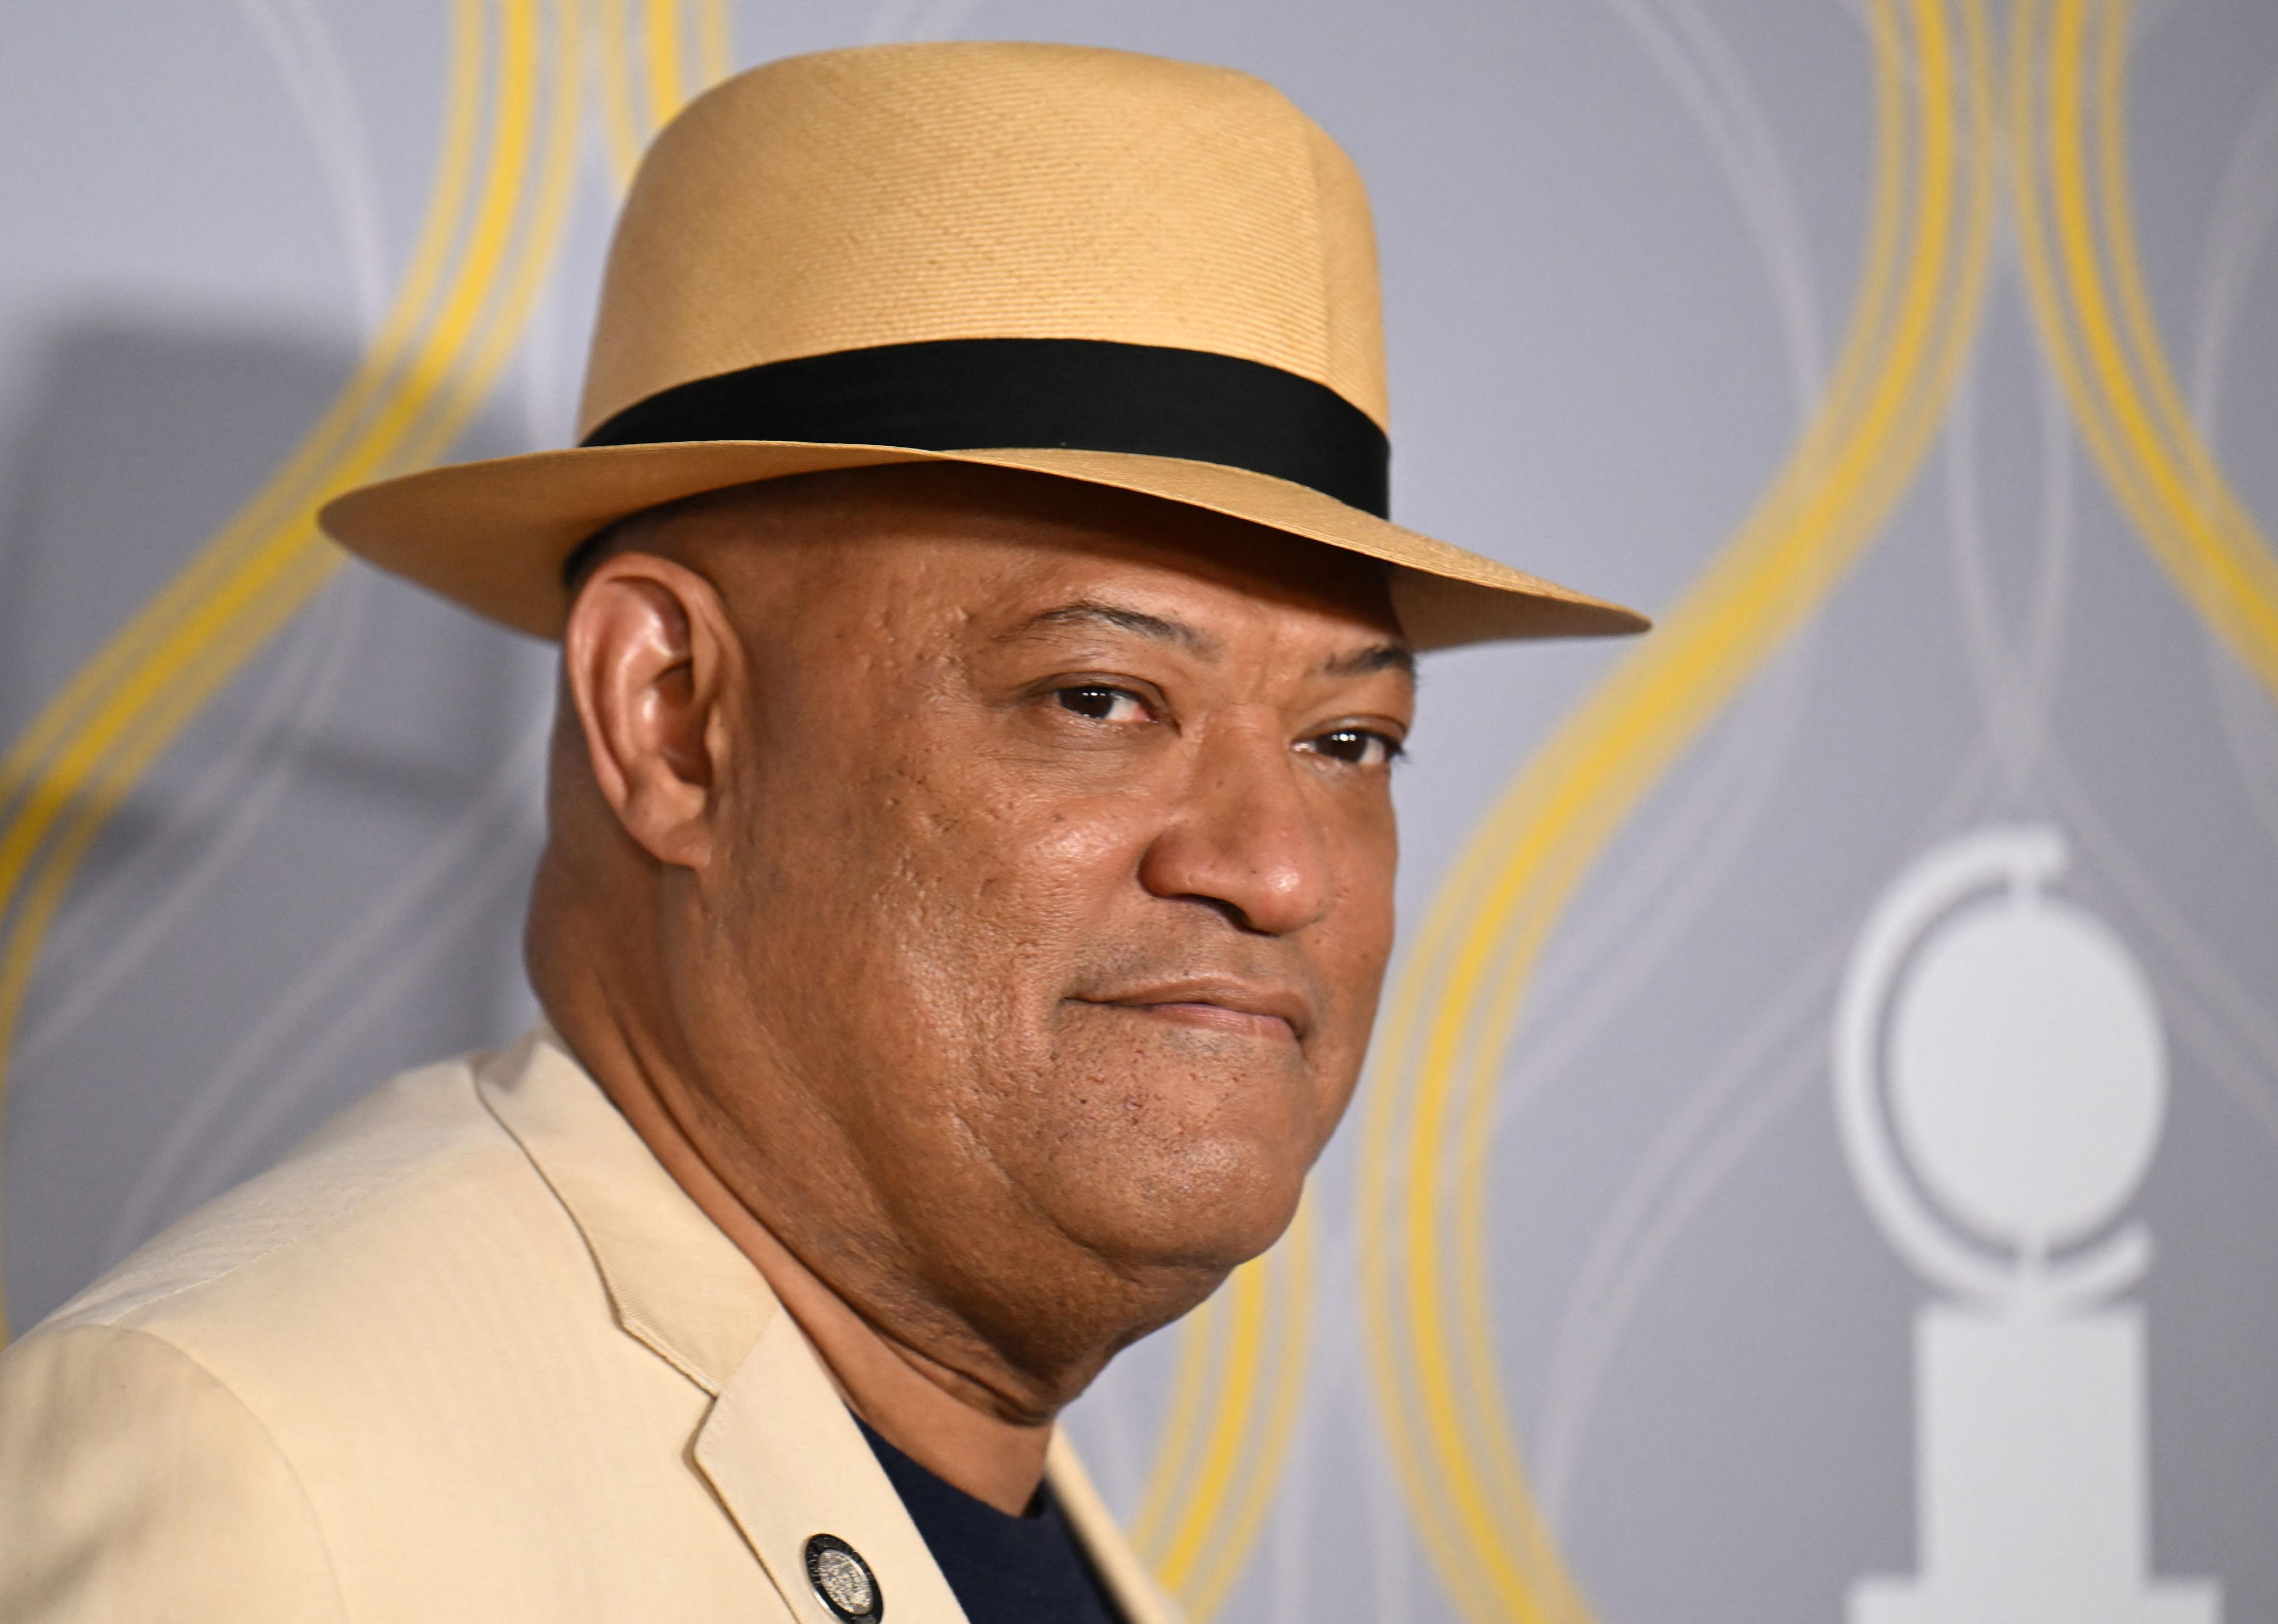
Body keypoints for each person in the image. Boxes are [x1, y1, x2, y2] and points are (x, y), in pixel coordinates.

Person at [0, 39, 1643, 1624]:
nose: (1276, 865)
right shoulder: (258, 1471)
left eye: (1351, 740)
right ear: (672, 715)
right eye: (1097, 698)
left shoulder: (1008, 1516)